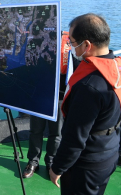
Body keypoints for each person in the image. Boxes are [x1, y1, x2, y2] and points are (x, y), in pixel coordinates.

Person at [49, 13, 121, 194]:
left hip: (87, 165)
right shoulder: (116, 68)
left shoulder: (89, 87)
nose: (71, 47)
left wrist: (57, 168)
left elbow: (75, 138)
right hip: (109, 151)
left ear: (87, 45)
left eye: (72, 43)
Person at [22, 31, 72, 178]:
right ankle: (33, 162)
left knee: (56, 133)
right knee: (35, 131)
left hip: (60, 95)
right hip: (39, 95)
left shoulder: (70, 45)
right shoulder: (36, 42)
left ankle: (51, 162)